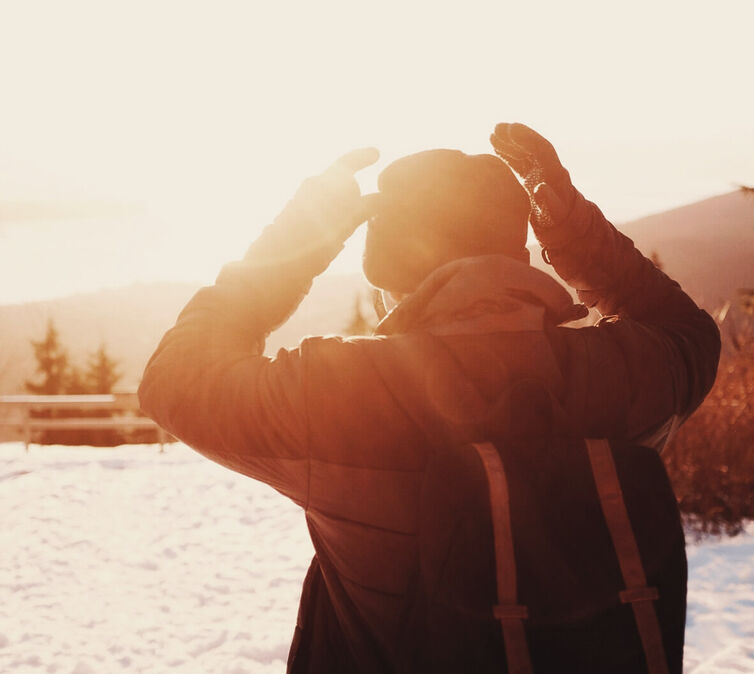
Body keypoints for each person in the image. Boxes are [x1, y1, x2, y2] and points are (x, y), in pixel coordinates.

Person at [138, 123, 720, 673]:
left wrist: (298, 241)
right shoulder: (621, 374)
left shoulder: (337, 392)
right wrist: (574, 233)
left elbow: (177, 378)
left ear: (390, 281)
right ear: (513, 256)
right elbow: (690, 334)